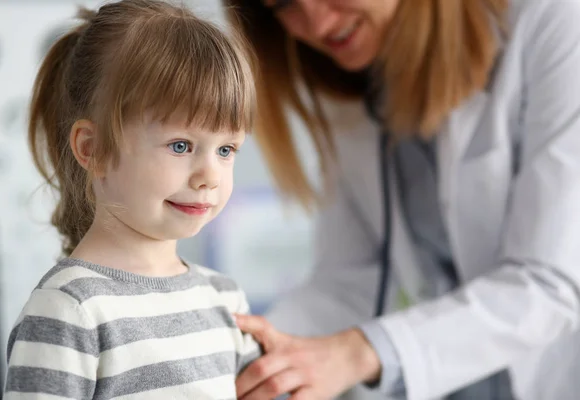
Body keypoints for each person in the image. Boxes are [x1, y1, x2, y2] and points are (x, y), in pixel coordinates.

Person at [222, 0, 580, 399]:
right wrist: (246, 353)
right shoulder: (351, 78)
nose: (317, 24)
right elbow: (353, 276)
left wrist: (358, 352)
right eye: (283, 5)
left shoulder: (552, 20)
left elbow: (551, 283)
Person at [3, 1, 261, 398]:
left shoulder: (225, 298)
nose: (210, 176)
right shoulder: (71, 310)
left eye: (226, 150)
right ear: (94, 149)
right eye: (181, 145)